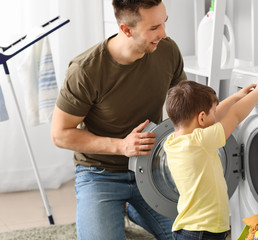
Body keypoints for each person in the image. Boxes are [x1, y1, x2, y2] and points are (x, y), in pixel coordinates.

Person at [50, 0, 186, 239]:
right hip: (99, 173)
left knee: (191, 235)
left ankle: (132, 209)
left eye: (164, 23)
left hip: (151, 168)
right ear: (126, 29)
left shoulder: (167, 50)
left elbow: (186, 104)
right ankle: (120, 206)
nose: (163, 33)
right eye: (154, 28)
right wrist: (121, 146)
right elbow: (60, 134)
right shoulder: (86, 70)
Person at [163, 79, 258, 240]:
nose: (216, 116)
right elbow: (235, 115)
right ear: (201, 118)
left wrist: (236, 97)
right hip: (203, 232)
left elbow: (211, 117)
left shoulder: (173, 141)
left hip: (190, 229)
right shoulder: (200, 141)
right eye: (213, 112)